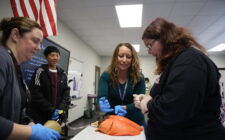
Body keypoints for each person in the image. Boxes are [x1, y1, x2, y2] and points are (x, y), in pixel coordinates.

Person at [134, 17, 225, 140]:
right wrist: (149, 97)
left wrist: (149, 103)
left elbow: (173, 111)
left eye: (150, 46)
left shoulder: (190, 62)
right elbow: (171, 96)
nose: (149, 52)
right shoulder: (175, 63)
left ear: (164, 38)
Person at [0, 17, 60, 140]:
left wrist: (30, 124)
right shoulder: (1, 59)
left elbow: (17, 109)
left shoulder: (16, 67)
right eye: (35, 41)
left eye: (40, 43)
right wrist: (30, 132)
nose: (39, 48)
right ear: (15, 34)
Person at [97, 43, 146, 126]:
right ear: (116, 57)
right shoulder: (106, 76)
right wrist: (101, 102)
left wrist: (126, 108)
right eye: (121, 56)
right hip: (113, 120)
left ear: (133, 59)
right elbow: (102, 96)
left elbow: (139, 102)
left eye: (128, 57)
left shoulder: (139, 77)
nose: (124, 60)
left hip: (135, 121)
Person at [29, 46, 70, 124]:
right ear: (46, 57)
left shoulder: (62, 73)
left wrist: (60, 109)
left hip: (57, 114)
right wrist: (51, 110)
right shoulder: (40, 71)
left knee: (54, 134)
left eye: (57, 55)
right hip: (41, 114)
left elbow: (66, 91)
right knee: (41, 135)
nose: (55, 58)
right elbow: (36, 93)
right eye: (52, 55)